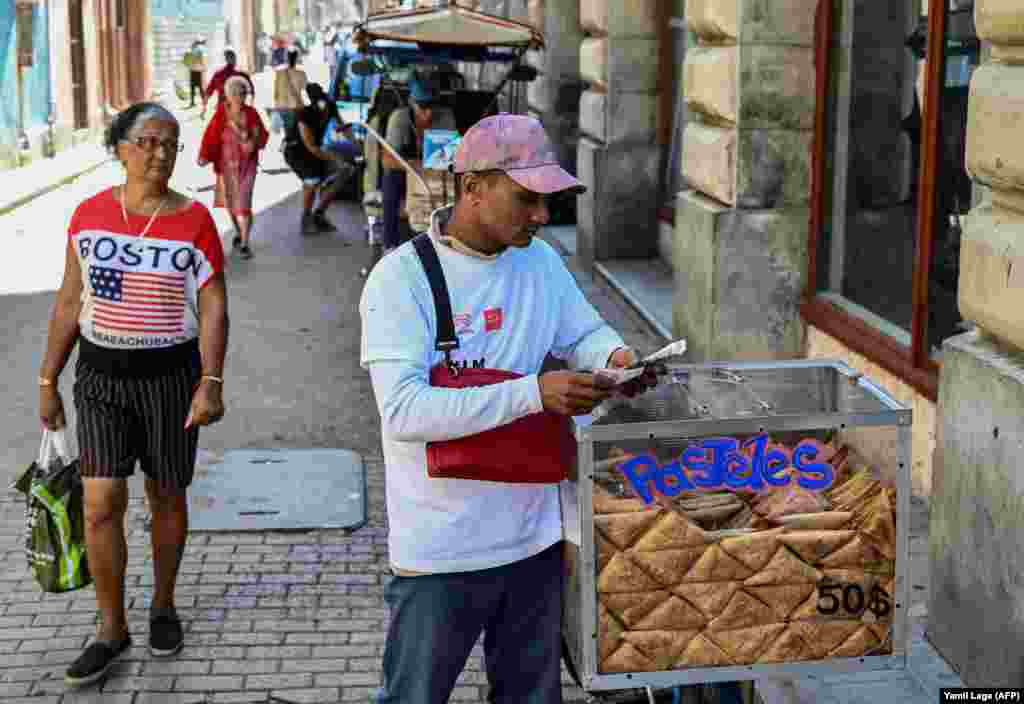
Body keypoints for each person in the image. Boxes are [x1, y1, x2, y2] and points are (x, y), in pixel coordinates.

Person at [359, 113, 657, 704]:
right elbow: (404, 412)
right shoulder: (401, 280)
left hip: (534, 538)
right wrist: (534, 393)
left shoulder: (539, 262)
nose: (542, 216)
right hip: (442, 548)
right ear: (474, 187)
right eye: (527, 199)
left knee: (530, 695)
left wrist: (615, 356)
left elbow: (583, 331)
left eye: (547, 201)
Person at [38, 102, 228, 687]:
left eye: (170, 144)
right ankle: (111, 628)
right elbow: (70, 300)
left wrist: (210, 381)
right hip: (100, 379)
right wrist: (48, 380)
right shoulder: (89, 215)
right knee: (100, 503)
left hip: (171, 380)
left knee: (166, 497)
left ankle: (163, 605)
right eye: (147, 141)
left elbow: (213, 304)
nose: (160, 154)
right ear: (120, 147)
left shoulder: (195, 221)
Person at [380, 71, 457, 252]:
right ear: (412, 103)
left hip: (437, 174)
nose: (428, 113)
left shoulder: (446, 117)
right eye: (422, 107)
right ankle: (390, 244)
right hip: (407, 173)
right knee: (390, 179)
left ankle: (451, 240)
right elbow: (387, 160)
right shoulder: (399, 119)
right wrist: (413, 165)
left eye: (432, 106)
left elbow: (451, 155)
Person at [198, 76, 269, 260]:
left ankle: (244, 243)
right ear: (228, 95)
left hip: (247, 166)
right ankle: (238, 232)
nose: (239, 96)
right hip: (225, 167)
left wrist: (244, 135)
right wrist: (204, 155)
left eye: (243, 93)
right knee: (230, 204)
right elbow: (210, 135)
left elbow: (257, 140)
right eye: (235, 93)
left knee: (244, 204)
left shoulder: (251, 113)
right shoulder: (221, 113)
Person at [282, 82, 351, 234]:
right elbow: (310, 146)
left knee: (346, 170)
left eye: (323, 101)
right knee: (312, 179)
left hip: (315, 149)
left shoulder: (330, 106)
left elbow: (342, 127)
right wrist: (334, 158)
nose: (323, 107)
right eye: (319, 103)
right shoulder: (303, 114)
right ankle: (306, 219)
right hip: (296, 151)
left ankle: (319, 214)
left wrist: (357, 145)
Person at [202, 49, 255, 119]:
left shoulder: (218, 75)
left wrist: (204, 108)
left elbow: (208, 92)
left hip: (222, 109)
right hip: (238, 110)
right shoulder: (242, 74)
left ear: (225, 60)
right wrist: (250, 106)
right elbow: (251, 93)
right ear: (234, 60)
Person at [272, 49, 307, 136]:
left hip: (281, 108)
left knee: (288, 132)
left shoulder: (279, 73)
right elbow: (305, 89)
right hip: (295, 108)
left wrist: (276, 107)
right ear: (296, 59)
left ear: (287, 59)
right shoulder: (301, 74)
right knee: (295, 133)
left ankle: (288, 141)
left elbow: (275, 94)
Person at [182, 40, 207, 108]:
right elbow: (202, 59)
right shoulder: (201, 49)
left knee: (192, 87)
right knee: (200, 87)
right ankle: (204, 101)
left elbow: (186, 60)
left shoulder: (192, 49)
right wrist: (204, 67)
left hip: (192, 70)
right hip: (199, 70)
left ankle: (192, 102)